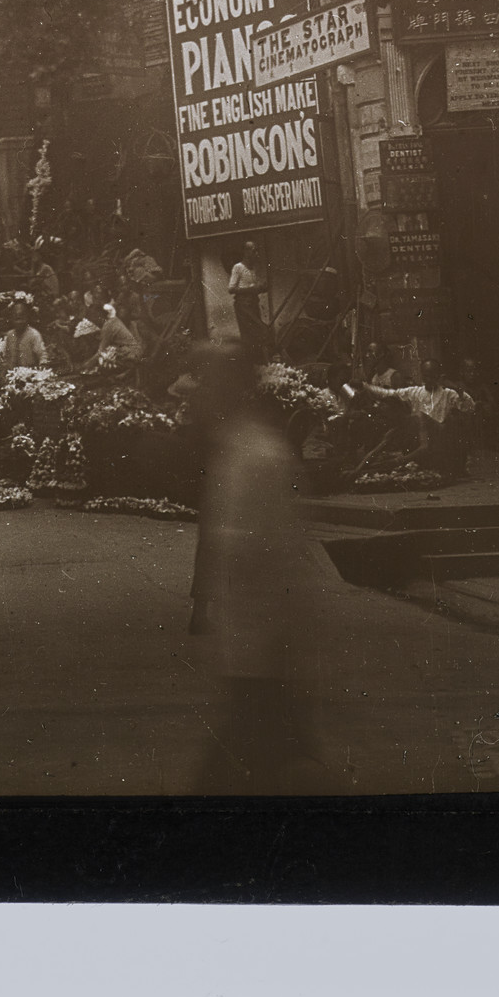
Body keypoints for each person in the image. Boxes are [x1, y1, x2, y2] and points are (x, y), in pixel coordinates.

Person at [183, 341, 329, 791]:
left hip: (261, 639)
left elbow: (269, 551)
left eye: (205, 384)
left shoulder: (259, 455)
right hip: (249, 643)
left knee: (239, 762)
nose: (195, 396)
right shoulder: (235, 448)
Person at [228, 242, 272, 365]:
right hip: (243, 305)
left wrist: (261, 288)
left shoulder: (252, 268)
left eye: (257, 251)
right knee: (260, 332)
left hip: (253, 304)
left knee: (254, 337)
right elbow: (231, 289)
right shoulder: (238, 267)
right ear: (246, 252)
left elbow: (254, 287)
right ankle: (255, 364)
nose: (256, 254)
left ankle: (258, 364)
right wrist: (252, 290)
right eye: (253, 251)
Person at [0, 299, 49, 372]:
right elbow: (4, 356)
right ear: (11, 318)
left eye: (22, 316)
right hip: (12, 374)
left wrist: (41, 371)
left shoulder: (34, 334)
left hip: (30, 374)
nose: (19, 321)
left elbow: (43, 356)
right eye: (16, 317)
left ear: (27, 317)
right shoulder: (9, 335)